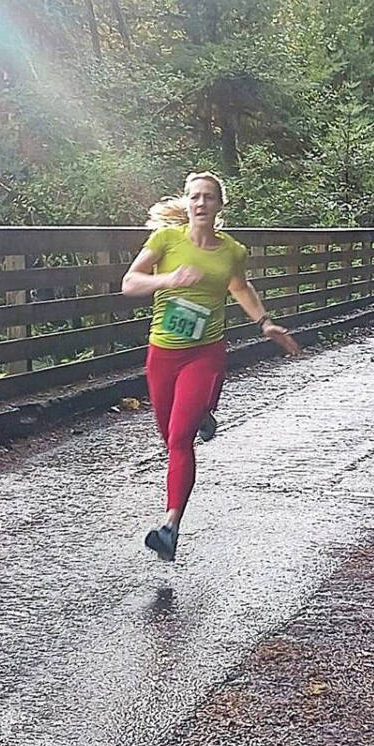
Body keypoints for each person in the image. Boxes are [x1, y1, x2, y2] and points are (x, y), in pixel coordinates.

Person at [121, 172, 300, 562]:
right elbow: (130, 283)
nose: (201, 204)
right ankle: (203, 412)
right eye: (194, 197)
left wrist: (264, 322)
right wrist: (168, 279)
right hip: (163, 352)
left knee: (180, 440)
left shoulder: (231, 251)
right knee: (168, 435)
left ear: (220, 205)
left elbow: (239, 286)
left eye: (208, 197)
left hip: (204, 352)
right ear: (187, 203)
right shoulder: (165, 241)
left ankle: (170, 526)